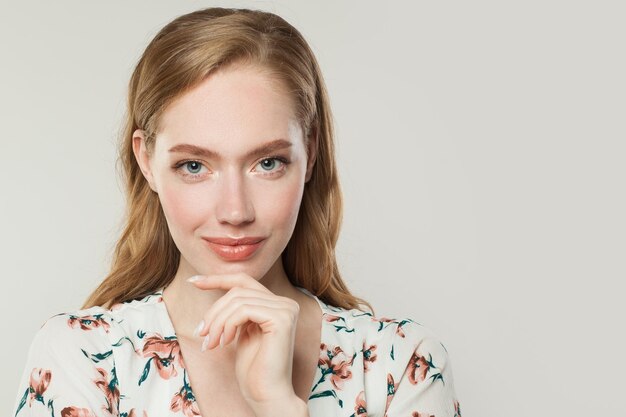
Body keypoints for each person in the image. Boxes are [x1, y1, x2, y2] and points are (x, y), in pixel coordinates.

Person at [12, 7, 461, 417]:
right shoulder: (85, 357)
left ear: (311, 151)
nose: (235, 210)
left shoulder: (401, 365)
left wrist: (278, 406)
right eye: (194, 166)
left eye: (268, 163)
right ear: (146, 161)